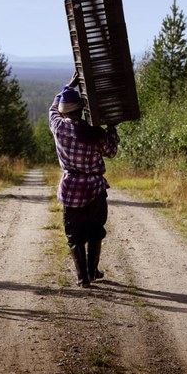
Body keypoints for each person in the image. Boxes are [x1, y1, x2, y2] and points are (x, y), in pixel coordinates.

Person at [49, 72, 119, 288]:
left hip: (71, 188)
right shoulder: (94, 133)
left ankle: (83, 278)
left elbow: (53, 107)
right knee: (95, 230)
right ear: (81, 110)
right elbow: (112, 151)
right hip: (95, 189)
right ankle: (92, 270)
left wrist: (69, 85)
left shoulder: (58, 127)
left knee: (74, 233)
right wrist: (111, 128)